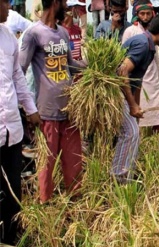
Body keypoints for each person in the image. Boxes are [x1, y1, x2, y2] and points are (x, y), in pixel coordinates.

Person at [19, 0, 86, 203]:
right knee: (46, 164)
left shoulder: (63, 33)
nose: (66, 6)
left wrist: (93, 68)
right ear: (55, 2)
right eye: (64, 2)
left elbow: (70, 65)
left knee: (74, 161)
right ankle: (45, 203)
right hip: (47, 111)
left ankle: (75, 202)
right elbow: (20, 70)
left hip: (70, 108)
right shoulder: (33, 33)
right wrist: (27, 107)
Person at [114, 14, 159, 183]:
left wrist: (136, 108)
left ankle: (125, 173)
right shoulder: (143, 45)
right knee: (131, 133)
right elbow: (122, 71)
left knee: (132, 131)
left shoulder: (148, 45)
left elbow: (137, 80)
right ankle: (120, 177)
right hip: (116, 92)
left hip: (124, 91)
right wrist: (132, 105)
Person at [0, 1, 41, 244]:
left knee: (14, 190)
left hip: (11, 130)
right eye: (4, 2)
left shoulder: (7, 36)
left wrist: (30, 109)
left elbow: (17, 75)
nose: (9, 7)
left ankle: (12, 237)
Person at [122, 3, 159, 135]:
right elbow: (124, 65)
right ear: (137, 15)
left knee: (158, 119)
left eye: (148, 14)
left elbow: (156, 59)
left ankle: (156, 148)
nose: (145, 17)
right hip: (133, 80)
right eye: (142, 14)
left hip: (150, 78)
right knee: (133, 128)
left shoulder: (154, 32)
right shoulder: (131, 32)